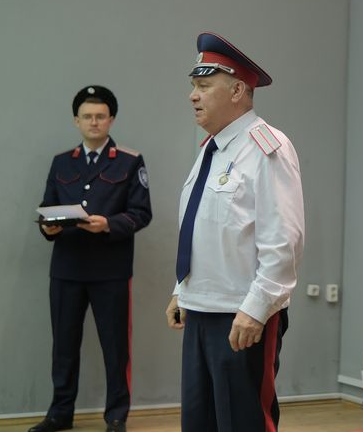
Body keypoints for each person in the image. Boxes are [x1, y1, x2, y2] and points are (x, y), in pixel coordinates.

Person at [165, 32, 304, 432]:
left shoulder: (266, 146)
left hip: (241, 315)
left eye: (204, 86)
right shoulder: (211, 149)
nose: (193, 96)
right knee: (200, 421)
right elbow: (205, 227)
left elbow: (284, 240)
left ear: (238, 90)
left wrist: (256, 309)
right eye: (194, 86)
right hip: (200, 309)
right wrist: (181, 289)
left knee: (244, 422)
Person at [32, 86, 152, 432]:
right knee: (64, 347)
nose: (94, 122)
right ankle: (60, 413)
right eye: (87, 116)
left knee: (115, 347)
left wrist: (108, 224)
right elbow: (47, 208)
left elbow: (141, 213)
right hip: (66, 269)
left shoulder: (129, 161)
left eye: (100, 116)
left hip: (110, 270)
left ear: (111, 119)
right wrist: (48, 228)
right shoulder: (61, 162)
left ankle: (116, 416)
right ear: (76, 120)